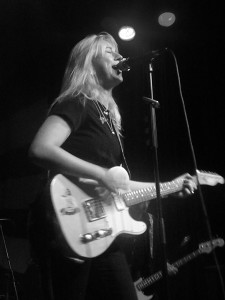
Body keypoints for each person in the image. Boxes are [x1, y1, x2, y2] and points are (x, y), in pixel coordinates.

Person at [28, 32, 197, 300]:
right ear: (88, 62)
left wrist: (169, 187)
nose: (119, 56)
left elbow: (120, 185)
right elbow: (41, 149)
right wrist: (102, 174)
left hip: (103, 232)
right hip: (69, 223)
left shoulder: (108, 119)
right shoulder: (76, 103)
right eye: (109, 51)